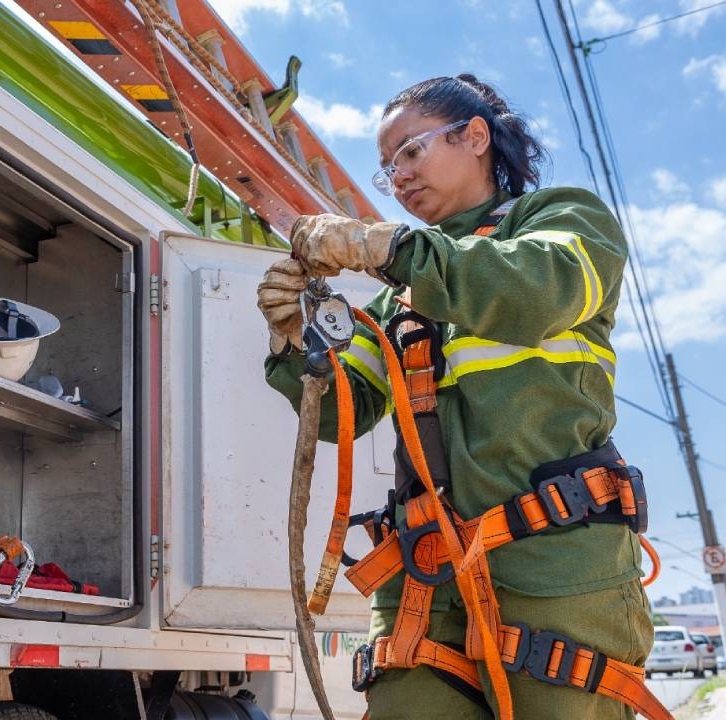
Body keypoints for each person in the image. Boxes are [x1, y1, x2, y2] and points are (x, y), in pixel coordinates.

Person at [258, 74, 657, 719]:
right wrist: (292, 344)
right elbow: (343, 413)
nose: (399, 177)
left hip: (555, 565)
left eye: (411, 152)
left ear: (476, 137)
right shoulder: (401, 295)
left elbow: (538, 290)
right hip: (425, 575)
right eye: (388, 168)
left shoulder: (563, 221)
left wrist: (394, 248)